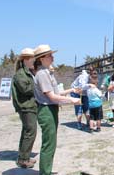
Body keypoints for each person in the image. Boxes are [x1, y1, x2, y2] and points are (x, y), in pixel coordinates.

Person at [32, 45, 80, 175]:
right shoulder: (42, 74)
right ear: (41, 58)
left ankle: (46, 169)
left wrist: (71, 91)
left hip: (50, 109)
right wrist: (72, 100)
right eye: (49, 55)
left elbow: (57, 92)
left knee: (51, 143)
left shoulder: (46, 72)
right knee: (49, 144)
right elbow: (52, 97)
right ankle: (45, 172)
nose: (52, 57)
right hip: (46, 110)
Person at [11, 48, 38, 168]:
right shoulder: (20, 74)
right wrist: (39, 87)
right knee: (30, 132)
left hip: (29, 106)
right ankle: (23, 159)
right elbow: (25, 90)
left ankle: (24, 156)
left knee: (27, 131)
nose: (34, 61)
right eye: (33, 58)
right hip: (26, 107)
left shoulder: (27, 73)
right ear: (26, 59)